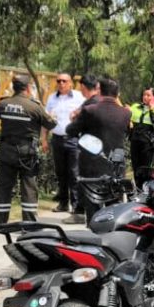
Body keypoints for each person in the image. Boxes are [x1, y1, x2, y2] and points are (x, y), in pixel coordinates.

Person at [64, 77, 131, 224]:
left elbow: (70, 130)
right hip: (116, 166)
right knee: (114, 208)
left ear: (99, 91)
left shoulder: (89, 110)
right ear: (117, 93)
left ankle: (94, 237)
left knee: (93, 207)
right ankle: (111, 241)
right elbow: (125, 134)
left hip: (91, 167)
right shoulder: (126, 113)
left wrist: (78, 122)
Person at [0, 75, 57, 224]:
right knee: (28, 187)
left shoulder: (3, 104)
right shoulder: (34, 106)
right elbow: (51, 124)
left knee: (3, 186)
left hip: (6, 151)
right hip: (27, 153)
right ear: (28, 88)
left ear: (14, 87)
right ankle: (29, 224)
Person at [43, 73, 85, 214]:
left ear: (71, 83)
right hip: (57, 139)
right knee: (60, 173)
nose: (61, 83)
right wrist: (44, 139)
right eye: (59, 81)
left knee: (74, 173)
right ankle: (63, 203)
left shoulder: (79, 97)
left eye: (64, 81)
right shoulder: (51, 98)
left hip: (73, 140)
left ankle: (76, 204)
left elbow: (86, 114)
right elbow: (46, 119)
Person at [129, 87, 154, 189]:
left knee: (146, 169)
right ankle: (138, 189)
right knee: (136, 168)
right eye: (144, 94)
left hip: (148, 144)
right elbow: (128, 117)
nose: (145, 97)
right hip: (135, 141)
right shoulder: (135, 107)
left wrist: (151, 110)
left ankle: (146, 190)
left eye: (148, 95)